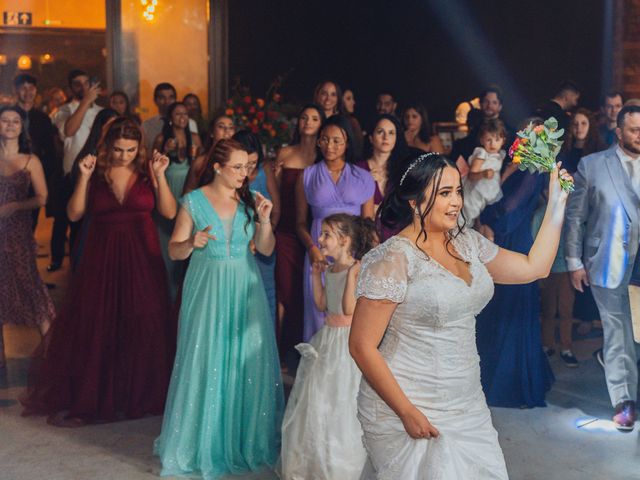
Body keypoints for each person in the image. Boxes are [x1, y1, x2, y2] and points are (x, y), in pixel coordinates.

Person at [349, 149, 571, 479]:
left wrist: (556, 203)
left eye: (457, 191)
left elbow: (533, 268)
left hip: (467, 400)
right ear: (414, 200)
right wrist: (406, 411)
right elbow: (361, 346)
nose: (456, 202)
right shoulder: (393, 259)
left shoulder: (468, 243)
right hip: (409, 399)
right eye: (444, 193)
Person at [21, 117, 176, 425]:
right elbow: (74, 213)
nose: (124, 155)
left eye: (131, 150)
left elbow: (169, 212)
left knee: (143, 319)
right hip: (102, 255)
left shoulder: (148, 171)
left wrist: (161, 176)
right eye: (118, 149)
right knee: (101, 320)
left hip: (142, 254)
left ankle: (139, 393)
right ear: (108, 146)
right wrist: (82, 177)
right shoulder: (95, 171)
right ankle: (102, 392)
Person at [155, 139, 284, 478]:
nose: (245, 174)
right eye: (238, 167)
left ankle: (244, 440)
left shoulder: (249, 202)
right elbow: (174, 251)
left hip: (244, 289)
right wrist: (191, 242)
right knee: (207, 359)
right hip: (208, 289)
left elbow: (266, 249)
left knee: (245, 361)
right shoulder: (193, 201)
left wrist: (265, 221)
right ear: (217, 167)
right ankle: (205, 442)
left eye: (247, 167)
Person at [280, 213, 376, 480]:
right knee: (319, 399)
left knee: (343, 399)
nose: (319, 239)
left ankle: (343, 465)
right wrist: (314, 276)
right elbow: (322, 305)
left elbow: (349, 309)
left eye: (326, 235)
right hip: (327, 338)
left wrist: (351, 276)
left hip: (346, 343)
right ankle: (316, 460)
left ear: (344, 240)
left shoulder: (355, 269)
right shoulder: (332, 269)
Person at [565, 104, 640, 431]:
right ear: (619, 131)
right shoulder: (593, 165)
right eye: (635, 129)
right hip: (607, 264)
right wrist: (574, 261)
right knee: (618, 334)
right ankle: (625, 401)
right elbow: (576, 218)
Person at [475, 117, 553, 408]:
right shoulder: (506, 163)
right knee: (493, 310)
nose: (525, 137)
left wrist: (488, 220)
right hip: (492, 239)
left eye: (533, 135)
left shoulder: (533, 168)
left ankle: (511, 386)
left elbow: (509, 210)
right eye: (524, 132)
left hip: (512, 242)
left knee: (511, 311)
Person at [295, 115, 375, 341]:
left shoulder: (363, 178)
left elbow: (368, 224)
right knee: (318, 307)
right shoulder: (307, 176)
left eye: (337, 140)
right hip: (319, 249)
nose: (331, 146)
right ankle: (318, 366)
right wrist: (312, 249)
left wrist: (362, 259)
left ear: (347, 143)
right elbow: (300, 222)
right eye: (325, 140)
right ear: (319, 142)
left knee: (350, 310)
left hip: (351, 254)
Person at [0, 106, 54, 369]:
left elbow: (42, 197)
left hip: (17, 232)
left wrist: (15, 207)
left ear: (22, 127)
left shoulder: (31, 160)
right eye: (5, 120)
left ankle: (54, 352)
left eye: (15, 121)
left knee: (29, 285)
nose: (10, 125)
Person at [274, 104, 325, 365]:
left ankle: (304, 350)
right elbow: (275, 189)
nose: (308, 121)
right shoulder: (285, 152)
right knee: (285, 289)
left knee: (307, 289)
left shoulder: (323, 157)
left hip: (313, 231)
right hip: (285, 230)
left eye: (314, 118)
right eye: (304, 117)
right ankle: (281, 351)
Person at [49, 69, 103, 272]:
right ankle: (75, 272)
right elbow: (69, 131)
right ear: (71, 88)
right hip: (71, 177)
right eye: (77, 84)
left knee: (92, 228)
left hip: (97, 176)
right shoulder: (64, 110)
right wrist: (84, 102)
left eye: (86, 82)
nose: (83, 87)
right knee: (73, 225)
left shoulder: (100, 112)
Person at [152, 101, 203, 301]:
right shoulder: (162, 138)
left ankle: (187, 296)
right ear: (170, 118)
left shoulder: (196, 138)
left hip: (189, 195)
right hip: (169, 192)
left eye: (185, 114)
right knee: (167, 248)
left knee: (189, 247)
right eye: (178, 114)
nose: (182, 117)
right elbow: (153, 165)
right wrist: (164, 149)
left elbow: (201, 166)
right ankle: (169, 298)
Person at [233, 129, 281, 323]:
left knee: (265, 293)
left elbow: (276, 209)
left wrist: (266, 230)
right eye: (245, 163)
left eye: (253, 163)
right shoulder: (229, 178)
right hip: (236, 244)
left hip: (262, 242)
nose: (249, 168)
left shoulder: (264, 171)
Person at [13, 74, 58, 231]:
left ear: (36, 90)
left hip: (35, 177)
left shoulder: (43, 118)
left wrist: (42, 172)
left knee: (31, 223)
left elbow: (50, 151)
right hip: (11, 176)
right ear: (16, 91)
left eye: (31, 88)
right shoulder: (6, 114)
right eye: (23, 88)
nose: (27, 92)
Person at [450, 85, 511, 164]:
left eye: (494, 102)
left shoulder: (507, 129)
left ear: (500, 106)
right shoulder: (476, 124)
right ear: (480, 104)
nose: (489, 106)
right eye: (486, 101)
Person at [357, 114, 406, 210]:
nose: (386, 137)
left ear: (396, 138)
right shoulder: (358, 168)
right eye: (380, 132)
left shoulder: (404, 169)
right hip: (366, 224)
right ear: (371, 138)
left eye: (391, 133)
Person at [462, 119, 507, 224]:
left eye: (497, 140)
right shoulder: (481, 154)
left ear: (503, 140)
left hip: (487, 193)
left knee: (480, 219)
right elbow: (471, 175)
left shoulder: (500, 155)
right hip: (475, 192)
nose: (492, 144)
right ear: (482, 140)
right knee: (469, 216)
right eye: (488, 140)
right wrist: (483, 173)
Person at [184, 114, 235, 193]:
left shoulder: (238, 159)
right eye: (221, 126)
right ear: (212, 132)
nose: (227, 130)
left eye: (230, 127)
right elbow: (189, 190)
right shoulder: (201, 161)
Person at [141, 82, 198, 151]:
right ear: (155, 100)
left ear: (175, 99)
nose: (167, 101)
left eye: (171, 97)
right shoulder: (146, 125)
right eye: (162, 98)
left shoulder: (190, 123)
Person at [341, 87, 364, 159]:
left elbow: (358, 150)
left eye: (352, 98)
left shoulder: (353, 122)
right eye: (348, 99)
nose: (353, 102)